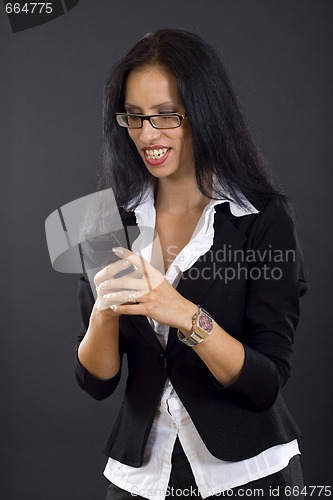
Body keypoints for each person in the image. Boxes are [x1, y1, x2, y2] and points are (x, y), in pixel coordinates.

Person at [75, 29, 308, 500]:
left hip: (248, 475)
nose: (148, 135)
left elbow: (265, 382)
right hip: (141, 476)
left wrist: (182, 312)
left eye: (166, 116)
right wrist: (103, 312)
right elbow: (96, 383)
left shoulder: (261, 218)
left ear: (205, 113)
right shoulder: (104, 220)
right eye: (135, 118)